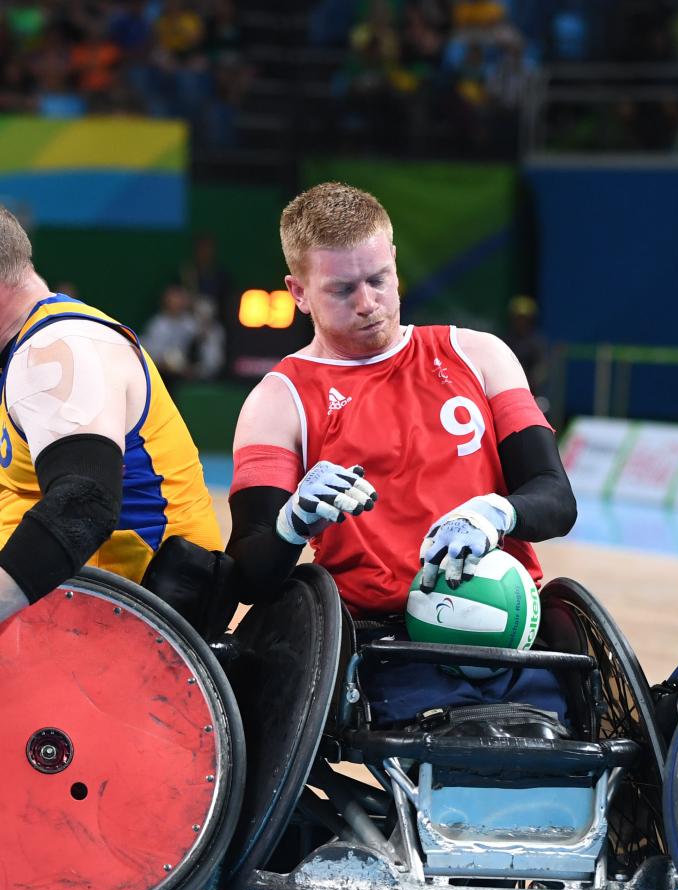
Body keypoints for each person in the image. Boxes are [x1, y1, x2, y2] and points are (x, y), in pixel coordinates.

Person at [226, 182, 577, 724]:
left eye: (378, 280)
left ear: (393, 260)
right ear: (297, 292)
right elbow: (249, 573)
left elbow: (556, 498)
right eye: (342, 290)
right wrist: (290, 524)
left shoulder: (478, 354)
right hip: (384, 647)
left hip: (512, 629)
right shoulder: (278, 400)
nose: (367, 304)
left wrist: (495, 511)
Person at [0, 205, 223, 627]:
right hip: (78, 619)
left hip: (131, 636)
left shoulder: (57, 351)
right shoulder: (20, 353)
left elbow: (83, 506)